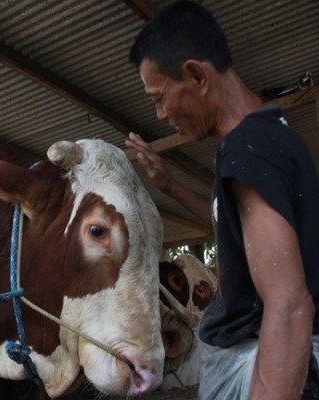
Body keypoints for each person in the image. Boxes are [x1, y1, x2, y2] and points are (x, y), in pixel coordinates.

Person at [125, 1, 319, 399]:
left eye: (160, 97)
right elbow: (235, 229)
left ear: (196, 75)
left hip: (261, 364)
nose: (160, 114)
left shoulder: (247, 149)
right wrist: (169, 184)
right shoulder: (266, 137)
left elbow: (288, 302)